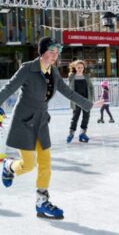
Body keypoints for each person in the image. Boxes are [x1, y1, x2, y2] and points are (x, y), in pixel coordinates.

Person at [0, 37, 100, 219]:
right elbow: (9, 88)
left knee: (46, 162)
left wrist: (89, 104)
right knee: (29, 165)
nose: (55, 55)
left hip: (41, 121)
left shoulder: (53, 73)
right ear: (43, 51)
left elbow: (68, 92)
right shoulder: (28, 68)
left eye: (57, 52)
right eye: (52, 51)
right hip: (24, 120)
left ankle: (41, 201)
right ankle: (9, 167)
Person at [66, 60, 95, 143]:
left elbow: (91, 88)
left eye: (81, 67)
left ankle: (82, 133)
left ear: (83, 68)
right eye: (78, 67)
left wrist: (90, 99)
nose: (80, 69)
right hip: (76, 101)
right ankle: (71, 133)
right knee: (75, 117)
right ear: (75, 68)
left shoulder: (86, 76)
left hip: (86, 100)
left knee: (86, 117)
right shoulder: (72, 76)